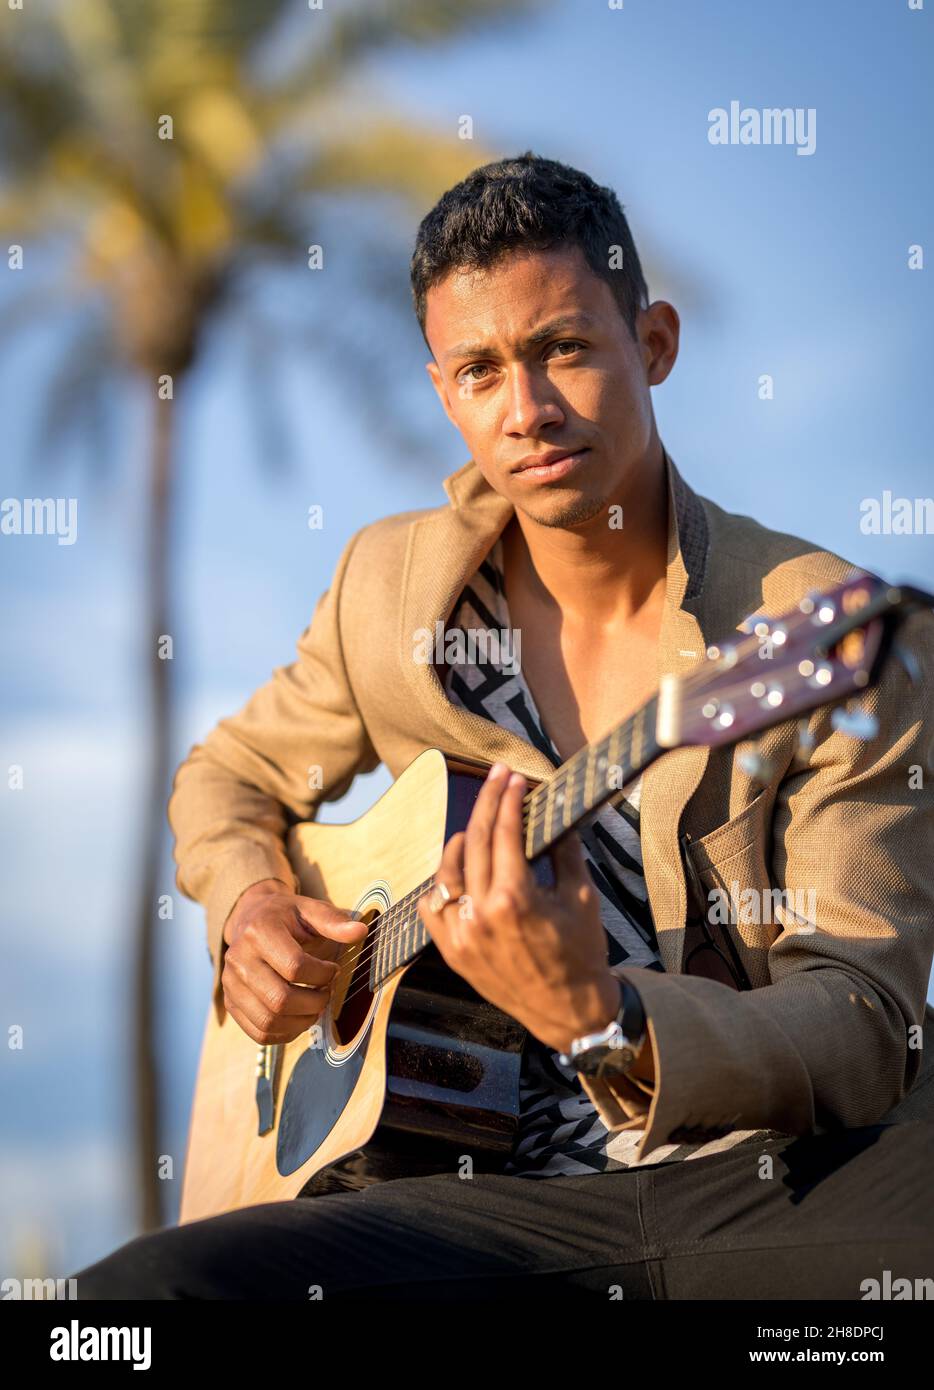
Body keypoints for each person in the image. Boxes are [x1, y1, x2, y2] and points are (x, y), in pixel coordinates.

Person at [73, 152, 934, 1300]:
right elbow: (228, 774)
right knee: (122, 1302)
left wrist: (605, 1015)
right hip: (446, 1203)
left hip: (748, 1182)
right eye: (479, 369)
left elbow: (866, 1018)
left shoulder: (796, 627)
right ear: (445, 392)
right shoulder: (390, 588)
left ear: (656, 345)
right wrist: (252, 904)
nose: (525, 410)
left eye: (565, 349)